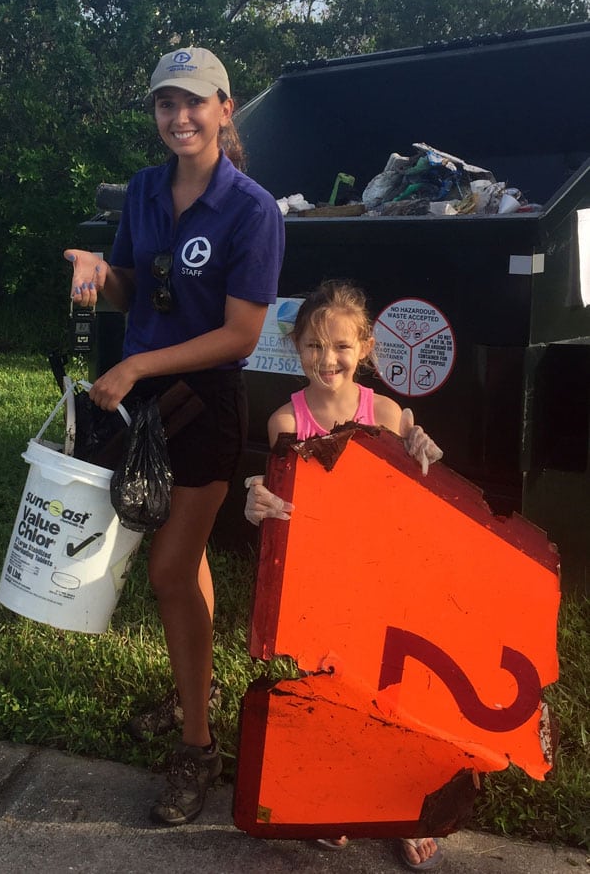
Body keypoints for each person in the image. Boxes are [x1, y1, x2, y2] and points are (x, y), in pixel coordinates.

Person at [65, 47, 284, 825]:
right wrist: (98, 268)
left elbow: (240, 335)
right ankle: (201, 685)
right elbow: (131, 284)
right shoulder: (145, 191)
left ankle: (198, 748)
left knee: (165, 570)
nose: (179, 117)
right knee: (182, 564)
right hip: (142, 395)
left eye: (195, 102)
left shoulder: (253, 209)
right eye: (165, 103)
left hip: (203, 401)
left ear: (226, 108)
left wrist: (137, 366)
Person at [244, 279, 443, 871]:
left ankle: (402, 807)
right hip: (317, 584)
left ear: (365, 348)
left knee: (392, 698)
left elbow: (416, 505)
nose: (325, 360)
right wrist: (255, 504)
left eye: (339, 347)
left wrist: (424, 453)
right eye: (311, 346)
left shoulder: (385, 414)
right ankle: (338, 798)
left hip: (382, 581)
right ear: (296, 347)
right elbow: (279, 505)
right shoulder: (285, 420)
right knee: (326, 693)